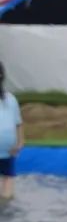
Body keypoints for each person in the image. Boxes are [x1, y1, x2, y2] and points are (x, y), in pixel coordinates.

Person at [0, 62, 23, 202]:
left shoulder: (10, 99)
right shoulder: (10, 98)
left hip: (8, 148)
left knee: (8, 178)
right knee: (8, 178)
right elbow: (19, 124)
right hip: (8, 147)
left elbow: (18, 123)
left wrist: (20, 142)